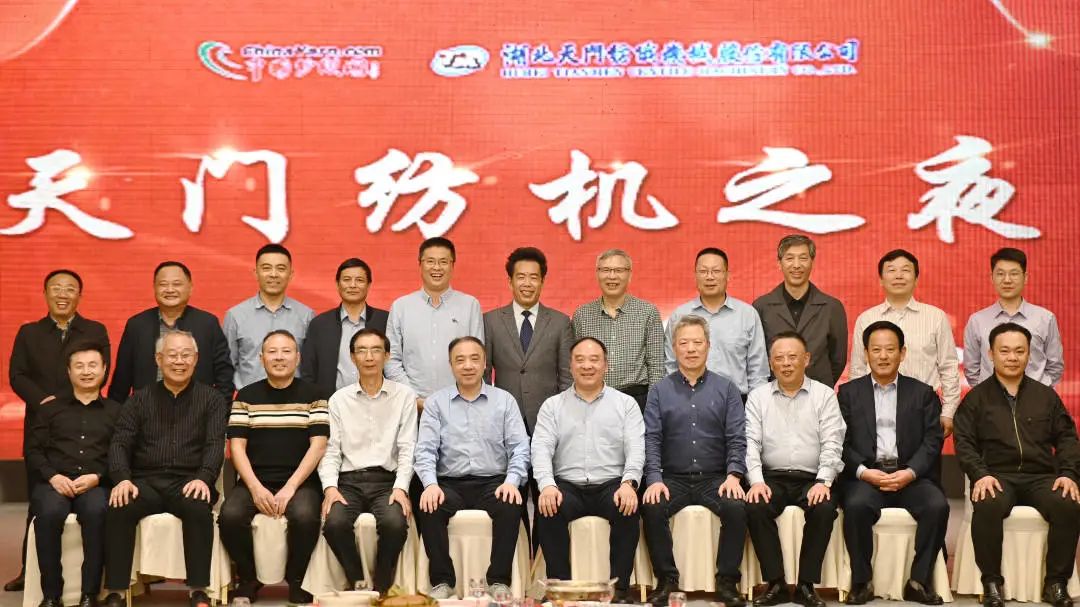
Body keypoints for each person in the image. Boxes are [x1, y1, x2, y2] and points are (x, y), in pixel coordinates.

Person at [953, 323, 1080, 607]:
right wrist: (980, 475)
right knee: (987, 503)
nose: (1012, 357)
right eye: (1005, 351)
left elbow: (1068, 438)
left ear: (1029, 354)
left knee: (1068, 503)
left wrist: (1069, 474)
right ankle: (991, 583)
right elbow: (964, 443)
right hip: (997, 476)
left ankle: (1056, 583)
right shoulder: (976, 399)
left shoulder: (1046, 396)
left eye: (1019, 351)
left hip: (1041, 477)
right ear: (991, 354)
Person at [102, 330, 229, 607]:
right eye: (172, 355)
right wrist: (122, 478)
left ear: (196, 359)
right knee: (119, 506)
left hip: (188, 481)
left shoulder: (212, 399)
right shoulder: (138, 399)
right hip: (144, 482)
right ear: (158, 359)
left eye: (185, 355)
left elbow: (215, 444)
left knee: (198, 508)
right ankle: (116, 591)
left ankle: (198, 589)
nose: (179, 361)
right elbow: (120, 442)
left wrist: (204, 478)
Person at [6, 269, 110, 592]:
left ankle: (92, 580)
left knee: (93, 506)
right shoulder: (29, 332)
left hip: (87, 420)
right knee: (40, 499)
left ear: (80, 295)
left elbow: (100, 371)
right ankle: (29, 570)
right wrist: (46, 402)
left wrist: (72, 401)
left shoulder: (94, 330)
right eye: (56, 288)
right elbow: (17, 375)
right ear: (46, 293)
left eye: (70, 289)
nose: (63, 294)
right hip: (43, 424)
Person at [837, 321, 947, 605]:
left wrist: (910, 472)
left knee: (937, 506)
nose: (883, 356)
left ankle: (919, 581)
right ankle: (861, 582)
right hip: (867, 476)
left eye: (890, 349)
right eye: (876, 350)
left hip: (910, 476)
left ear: (903, 353)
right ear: (865, 354)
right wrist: (864, 472)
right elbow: (839, 442)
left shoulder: (923, 393)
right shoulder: (848, 393)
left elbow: (932, 441)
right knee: (856, 506)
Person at [641, 315, 747, 607]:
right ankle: (667, 581)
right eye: (684, 343)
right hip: (672, 478)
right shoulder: (659, 391)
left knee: (737, 507)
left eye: (697, 342)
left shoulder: (727, 389)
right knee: (651, 506)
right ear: (674, 347)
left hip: (715, 478)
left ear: (708, 346)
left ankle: (727, 582)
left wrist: (734, 475)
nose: (691, 349)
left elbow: (737, 437)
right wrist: (654, 479)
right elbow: (651, 438)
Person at [414, 337, 529, 599]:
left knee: (510, 504)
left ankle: (498, 580)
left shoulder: (504, 400)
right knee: (429, 505)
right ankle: (442, 581)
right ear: (451, 365)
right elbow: (425, 450)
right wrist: (430, 484)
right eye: (460, 360)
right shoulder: (436, 403)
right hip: (450, 483)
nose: (468, 365)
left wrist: (511, 481)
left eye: (474, 359)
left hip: (493, 482)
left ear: (485, 363)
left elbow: (520, 448)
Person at [219, 330, 328, 604]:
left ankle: (297, 579)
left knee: (305, 516)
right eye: (272, 352)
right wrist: (255, 488)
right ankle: (248, 578)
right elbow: (236, 447)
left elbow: (318, 446)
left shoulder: (315, 395)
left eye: (286, 351)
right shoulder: (245, 396)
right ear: (261, 358)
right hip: (255, 480)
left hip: (301, 482)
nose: (279, 357)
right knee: (230, 516)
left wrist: (290, 487)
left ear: (297, 357)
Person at [532, 337, 645, 604]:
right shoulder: (553, 406)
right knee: (548, 507)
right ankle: (560, 590)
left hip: (611, 484)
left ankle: (619, 591)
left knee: (627, 507)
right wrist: (547, 485)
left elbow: (636, 448)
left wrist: (629, 483)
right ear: (570, 366)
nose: (587, 366)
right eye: (580, 360)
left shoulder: (625, 404)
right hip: (567, 485)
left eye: (594, 360)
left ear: (606, 365)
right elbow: (540, 449)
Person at [744, 331, 846, 607]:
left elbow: (833, 442)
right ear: (771, 363)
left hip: (812, 478)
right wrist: (756, 481)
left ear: (807, 359)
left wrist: (823, 481)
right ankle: (776, 583)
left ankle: (805, 585)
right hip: (772, 477)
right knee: (755, 506)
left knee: (824, 508)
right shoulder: (758, 397)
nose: (786, 363)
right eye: (779, 358)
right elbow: (750, 443)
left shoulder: (824, 395)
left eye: (792, 357)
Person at [319, 328, 417, 594]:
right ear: (352, 357)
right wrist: (330, 488)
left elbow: (408, 447)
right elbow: (331, 450)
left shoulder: (404, 396)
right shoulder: (339, 400)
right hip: (348, 481)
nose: (369, 357)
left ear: (387, 355)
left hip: (387, 481)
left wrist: (401, 488)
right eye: (361, 351)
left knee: (395, 524)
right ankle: (359, 584)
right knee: (334, 524)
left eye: (376, 350)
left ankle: (382, 586)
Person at [26, 342, 120, 607]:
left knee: (97, 512)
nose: (86, 371)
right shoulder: (49, 409)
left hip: (96, 483)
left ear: (104, 370)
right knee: (48, 513)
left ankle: (90, 594)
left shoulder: (117, 411)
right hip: (54, 482)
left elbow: (122, 454)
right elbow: (33, 451)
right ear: (69, 371)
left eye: (93, 365)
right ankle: (51, 596)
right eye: (79, 366)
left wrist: (98, 477)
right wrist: (53, 477)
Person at [849, 250, 961, 437]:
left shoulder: (936, 317)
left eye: (906, 270)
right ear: (881, 279)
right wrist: (858, 410)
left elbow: (948, 366)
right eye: (891, 270)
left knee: (925, 456)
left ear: (916, 279)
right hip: (876, 408)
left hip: (924, 408)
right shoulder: (866, 319)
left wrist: (948, 411)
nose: (899, 275)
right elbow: (857, 369)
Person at [109, 260, 233, 401]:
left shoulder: (207, 323)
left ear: (190, 288)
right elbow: (122, 378)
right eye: (163, 284)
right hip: (146, 409)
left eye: (177, 284)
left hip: (197, 409)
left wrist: (219, 409)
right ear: (154, 288)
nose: (170, 290)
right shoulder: (137, 325)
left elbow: (224, 374)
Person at [385, 237, 484, 409]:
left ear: (452, 266)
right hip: (411, 407)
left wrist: (462, 396)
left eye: (443, 262)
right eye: (430, 261)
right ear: (420, 264)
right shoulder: (401, 306)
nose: (437, 267)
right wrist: (413, 398)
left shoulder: (470, 305)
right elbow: (391, 358)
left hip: (460, 405)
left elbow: (477, 358)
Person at [483, 246, 573, 433]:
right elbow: (484, 373)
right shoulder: (490, 321)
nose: (527, 283)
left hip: (548, 419)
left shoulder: (560, 322)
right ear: (510, 281)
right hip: (502, 417)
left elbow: (567, 376)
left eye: (533, 277)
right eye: (521, 277)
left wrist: (562, 416)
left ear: (542, 281)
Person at [665, 247, 768, 401]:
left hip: (735, 402)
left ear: (727, 275)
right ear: (695, 276)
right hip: (687, 400)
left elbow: (758, 371)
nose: (709, 277)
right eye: (703, 271)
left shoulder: (747, 314)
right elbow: (670, 365)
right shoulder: (679, 316)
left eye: (716, 271)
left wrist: (756, 407)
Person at [572, 249, 664, 410]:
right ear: (597, 274)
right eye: (606, 270)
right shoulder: (582, 315)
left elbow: (656, 367)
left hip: (638, 400)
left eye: (619, 270)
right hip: (592, 400)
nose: (612, 276)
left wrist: (653, 408)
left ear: (629, 275)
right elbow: (575, 364)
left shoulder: (648, 312)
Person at [753, 235, 847, 387]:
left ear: (812, 262)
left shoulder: (832, 307)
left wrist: (819, 387)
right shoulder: (761, 307)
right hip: (774, 393)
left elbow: (838, 359)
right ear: (779, 263)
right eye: (789, 258)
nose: (796, 265)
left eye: (803, 258)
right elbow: (757, 358)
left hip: (818, 393)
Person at [963, 247, 1063, 388]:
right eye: (1000, 274)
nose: (1007, 280)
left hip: (1035, 399)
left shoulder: (1045, 318)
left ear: (1025, 277)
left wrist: (1040, 394)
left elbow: (1055, 366)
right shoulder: (977, 321)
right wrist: (986, 395)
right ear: (992, 278)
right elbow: (971, 370)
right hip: (991, 400)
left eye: (1014, 274)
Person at [224, 244, 315, 390]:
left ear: (291, 274)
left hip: (296, 399)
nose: (273, 274)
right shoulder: (236, 315)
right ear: (256, 273)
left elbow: (311, 366)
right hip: (250, 399)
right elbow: (227, 366)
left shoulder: (306, 315)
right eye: (266, 268)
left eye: (281, 269)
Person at [301, 258, 389, 399]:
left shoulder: (385, 321)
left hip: (380, 402)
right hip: (332, 405)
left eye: (359, 280)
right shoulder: (320, 324)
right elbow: (308, 371)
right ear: (337, 284)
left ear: (369, 285)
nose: (353, 285)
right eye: (347, 280)